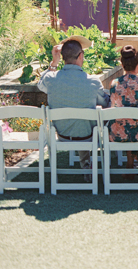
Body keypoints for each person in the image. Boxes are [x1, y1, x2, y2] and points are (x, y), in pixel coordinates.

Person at [38, 36, 110, 178]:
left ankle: (85, 164)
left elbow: (40, 85)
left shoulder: (50, 79)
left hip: (62, 135)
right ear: (81, 56)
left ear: (62, 57)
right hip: (88, 136)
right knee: (101, 114)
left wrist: (54, 62)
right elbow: (106, 103)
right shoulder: (93, 82)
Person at [108, 45, 138, 176]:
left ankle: (130, 163)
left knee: (125, 122)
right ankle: (134, 162)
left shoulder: (113, 83)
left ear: (122, 65)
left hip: (117, 134)